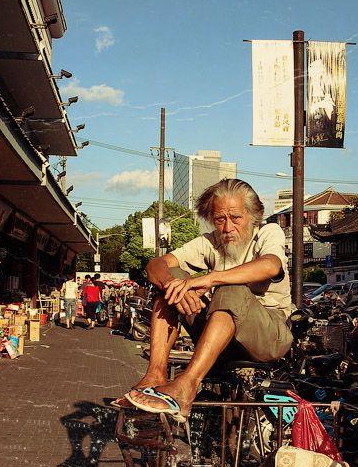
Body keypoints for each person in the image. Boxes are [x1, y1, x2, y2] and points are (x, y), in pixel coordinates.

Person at [116, 179, 293, 422]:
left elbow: (271, 265)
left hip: (268, 337)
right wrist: (174, 286)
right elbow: (155, 265)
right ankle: (155, 374)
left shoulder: (267, 233)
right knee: (172, 283)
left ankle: (187, 385)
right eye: (220, 219)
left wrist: (210, 279)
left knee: (231, 289)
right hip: (221, 332)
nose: (227, 227)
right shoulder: (210, 242)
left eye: (236, 218)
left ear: (253, 216)